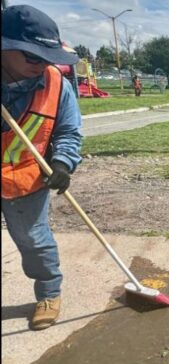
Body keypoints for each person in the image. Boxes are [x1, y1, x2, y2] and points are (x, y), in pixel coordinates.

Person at [1, 4, 82, 330]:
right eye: (33, 57)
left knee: (34, 240)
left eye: (48, 58)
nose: (43, 65)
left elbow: (68, 130)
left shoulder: (54, 84)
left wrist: (62, 162)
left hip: (25, 178)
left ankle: (49, 293)